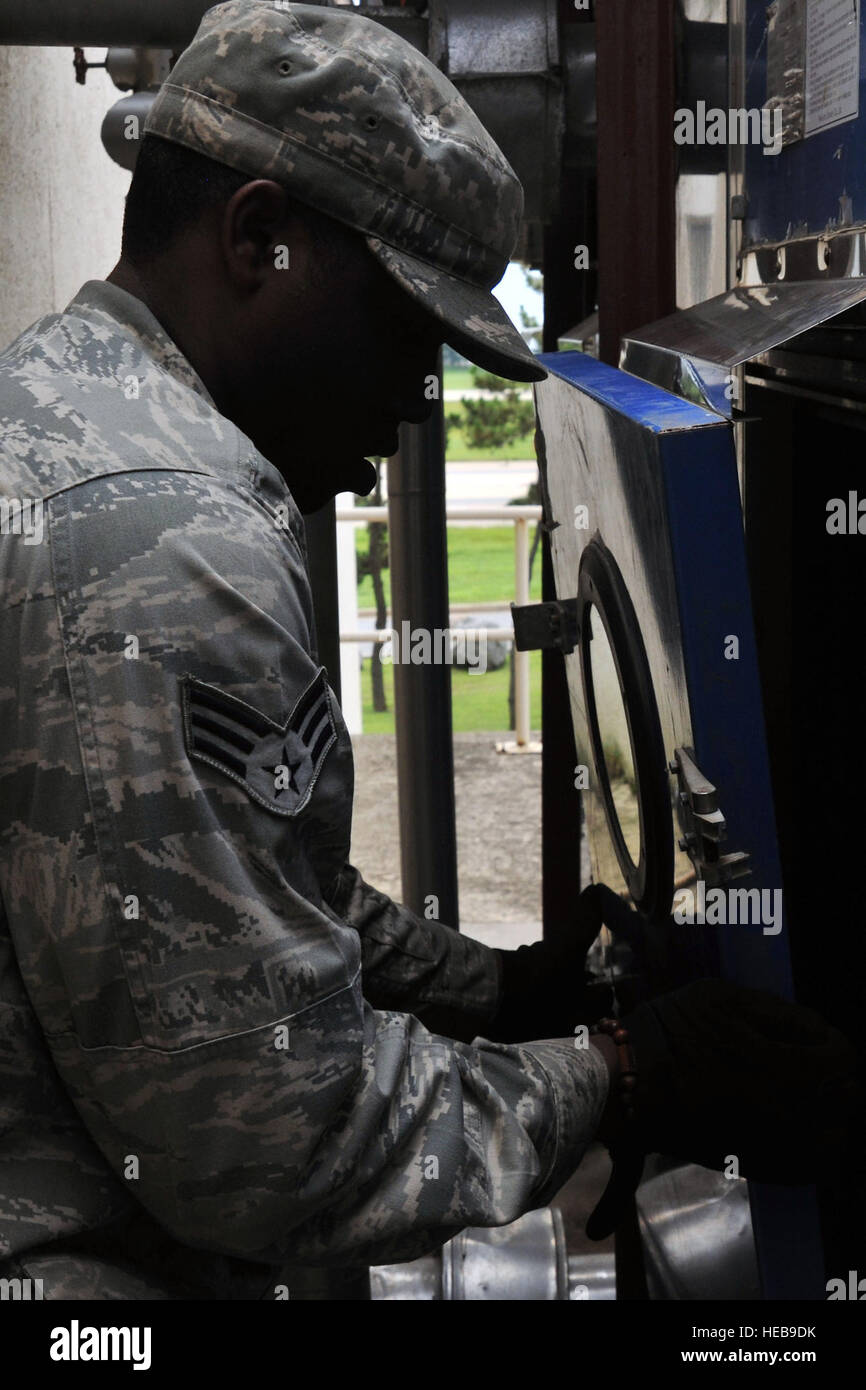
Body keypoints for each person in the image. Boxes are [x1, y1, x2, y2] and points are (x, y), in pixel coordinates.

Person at [0, 0, 858, 1300]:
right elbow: (271, 1142)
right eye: (405, 330)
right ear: (259, 239)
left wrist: (504, 991)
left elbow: (227, 872)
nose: (414, 398)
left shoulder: (68, 404)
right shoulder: (169, 539)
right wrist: (629, 1076)